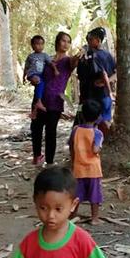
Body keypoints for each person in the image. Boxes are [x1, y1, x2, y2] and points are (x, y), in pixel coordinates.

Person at [31, 32, 77, 166]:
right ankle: (36, 156)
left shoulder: (68, 61)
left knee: (51, 131)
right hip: (39, 98)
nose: (66, 44)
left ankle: (49, 161)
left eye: (68, 41)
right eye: (63, 40)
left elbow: (74, 62)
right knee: (36, 129)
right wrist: (33, 79)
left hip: (55, 100)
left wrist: (79, 55)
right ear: (57, 42)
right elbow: (37, 74)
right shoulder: (47, 59)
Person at [69, 99, 105, 224]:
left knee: (77, 194)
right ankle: (94, 218)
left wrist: (73, 161)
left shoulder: (75, 130)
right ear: (98, 117)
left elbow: (71, 147)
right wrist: (99, 145)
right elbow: (95, 150)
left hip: (78, 168)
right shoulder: (97, 133)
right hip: (93, 169)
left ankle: (73, 216)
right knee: (95, 195)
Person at [77, 27, 116, 132]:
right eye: (87, 39)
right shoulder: (85, 54)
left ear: (98, 40)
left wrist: (105, 82)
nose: (88, 41)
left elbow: (112, 73)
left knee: (101, 121)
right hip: (90, 94)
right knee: (93, 121)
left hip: (100, 95)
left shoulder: (102, 55)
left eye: (90, 39)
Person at [23, 35, 55, 119]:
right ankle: (39, 102)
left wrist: (55, 69)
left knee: (41, 83)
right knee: (39, 81)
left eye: (41, 44)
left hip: (40, 75)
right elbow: (26, 67)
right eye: (37, 44)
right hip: (32, 74)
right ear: (32, 46)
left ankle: (35, 110)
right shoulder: (30, 56)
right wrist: (24, 77)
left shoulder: (44, 55)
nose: (40, 46)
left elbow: (51, 63)